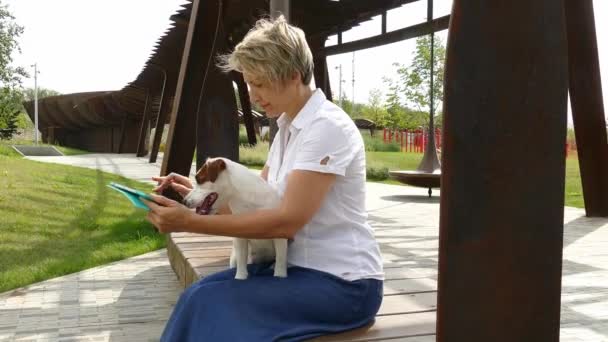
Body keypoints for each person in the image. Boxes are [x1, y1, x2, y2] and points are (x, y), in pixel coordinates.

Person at [143, 16, 384, 342]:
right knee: (197, 297)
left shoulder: (327, 128)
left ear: (293, 75)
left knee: (212, 306)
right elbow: (253, 208)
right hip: (294, 272)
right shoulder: (285, 131)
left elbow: (285, 223)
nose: (253, 96)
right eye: (248, 84)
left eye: (258, 83)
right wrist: (199, 195)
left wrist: (188, 222)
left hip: (343, 283)